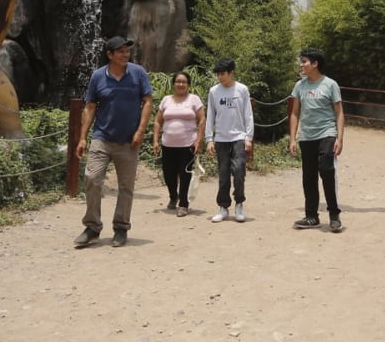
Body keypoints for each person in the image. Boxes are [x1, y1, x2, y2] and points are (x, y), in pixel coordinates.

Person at [74, 36, 153, 248]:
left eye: (127, 51)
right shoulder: (98, 76)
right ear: (109, 54)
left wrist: (140, 131)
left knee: (126, 186)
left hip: (129, 141)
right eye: (121, 51)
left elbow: (147, 102)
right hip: (102, 138)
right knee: (92, 178)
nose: (125, 54)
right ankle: (92, 227)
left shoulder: (138, 73)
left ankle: (121, 227)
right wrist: (82, 137)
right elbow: (90, 107)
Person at [289, 48, 345, 232]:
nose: (301, 65)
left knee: (327, 170)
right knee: (308, 176)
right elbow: (295, 113)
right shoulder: (300, 86)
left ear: (315, 64)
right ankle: (311, 216)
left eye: (304, 61)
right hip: (307, 136)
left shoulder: (330, 85)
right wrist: (292, 138)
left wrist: (340, 138)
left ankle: (334, 214)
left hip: (327, 133)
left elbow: (339, 113)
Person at [205, 57, 253, 223]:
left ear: (231, 73)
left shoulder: (242, 90)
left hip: (239, 137)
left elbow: (248, 114)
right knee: (223, 175)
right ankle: (223, 207)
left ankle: (239, 204)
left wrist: (249, 137)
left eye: (223, 73)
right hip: (221, 138)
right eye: (218, 74)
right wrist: (209, 139)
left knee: (239, 171)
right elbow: (210, 114)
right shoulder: (214, 91)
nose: (220, 77)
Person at [151, 71, 205, 217]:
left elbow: (201, 120)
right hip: (168, 144)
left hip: (188, 144)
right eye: (178, 81)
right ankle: (173, 196)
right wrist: (155, 140)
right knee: (168, 174)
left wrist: (199, 139)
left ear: (188, 85)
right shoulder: (166, 100)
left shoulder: (194, 99)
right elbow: (157, 121)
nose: (181, 84)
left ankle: (183, 204)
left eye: (184, 82)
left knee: (185, 173)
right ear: (173, 84)